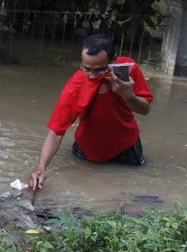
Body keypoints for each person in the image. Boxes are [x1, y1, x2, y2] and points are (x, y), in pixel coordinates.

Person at [29, 34, 153, 190]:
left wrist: (128, 95)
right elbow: (56, 132)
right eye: (87, 69)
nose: (92, 75)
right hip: (86, 151)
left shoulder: (128, 70)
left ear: (112, 61)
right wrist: (41, 168)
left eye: (100, 70)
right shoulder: (75, 86)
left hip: (126, 147)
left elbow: (145, 109)